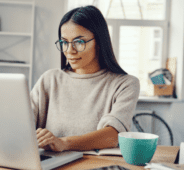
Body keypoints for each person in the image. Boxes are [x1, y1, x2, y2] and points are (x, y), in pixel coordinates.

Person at [30, 5, 140, 152]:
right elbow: (23, 122)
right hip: (50, 163)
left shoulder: (125, 84)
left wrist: (64, 143)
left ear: (99, 42)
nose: (69, 51)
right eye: (64, 42)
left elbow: (113, 135)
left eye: (79, 42)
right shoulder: (49, 79)